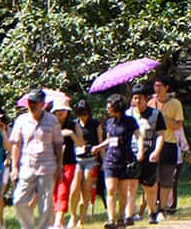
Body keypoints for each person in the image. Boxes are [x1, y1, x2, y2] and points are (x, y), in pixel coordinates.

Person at [10, 89, 63, 229]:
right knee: (18, 201)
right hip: (27, 166)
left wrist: (59, 166)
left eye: (35, 102)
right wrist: (14, 168)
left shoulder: (52, 120)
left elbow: (58, 144)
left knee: (45, 204)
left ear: (43, 104)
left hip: (47, 167)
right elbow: (16, 145)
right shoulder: (21, 120)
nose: (31, 105)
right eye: (29, 102)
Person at [94, 94, 137, 229]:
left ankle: (121, 219)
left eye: (110, 104)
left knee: (123, 192)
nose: (107, 107)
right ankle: (111, 219)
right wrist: (98, 147)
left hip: (125, 159)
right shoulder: (109, 122)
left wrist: (140, 151)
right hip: (110, 159)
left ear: (117, 106)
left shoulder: (130, 121)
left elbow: (138, 136)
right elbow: (109, 140)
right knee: (111, 190)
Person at [127, 85, 164, 224]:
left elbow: (161, 135)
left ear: (146, 99)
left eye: (140, 98)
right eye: (135, 98)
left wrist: (157, 151)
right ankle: (129, 215)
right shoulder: (127, 115)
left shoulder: (155, 114)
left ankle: (153, 212)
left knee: (149, 186)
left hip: (149, 154)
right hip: (131, 154)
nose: (137, 101)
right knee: (131, 186)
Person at [150, 77, 184, 220]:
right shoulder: (150, 103)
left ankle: (163, 208)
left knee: (166, 179)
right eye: (155, 86)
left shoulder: (175, 104)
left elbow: (178, 125)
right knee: (153, 179)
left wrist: (162, 117)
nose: (157, 89)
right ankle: (153, 207)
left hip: (169, 144)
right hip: (153, 144)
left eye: (160, 86)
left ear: (166, 87)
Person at [51, 96, 84, 229]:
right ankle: (58, 221)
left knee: (63, 191)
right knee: (53, 192)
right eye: (58, 110)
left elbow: (81, 144)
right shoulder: (50, 124)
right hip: (51, 163)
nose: (60, 113)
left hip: (68, 163)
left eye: (63, 110)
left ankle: (59, 221)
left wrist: (70, 134)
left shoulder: (73, 125)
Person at [71, 100, 103, 229]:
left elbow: (101, 142)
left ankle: (82, 221)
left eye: (85, 114)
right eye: (80, 114)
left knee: (86, 190)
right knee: (74, 190)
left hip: (90, 159)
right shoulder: (74, 124)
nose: (83, 117)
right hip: (77, 159)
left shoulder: (96, 124)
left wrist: (103, 160)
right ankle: (73, 216)